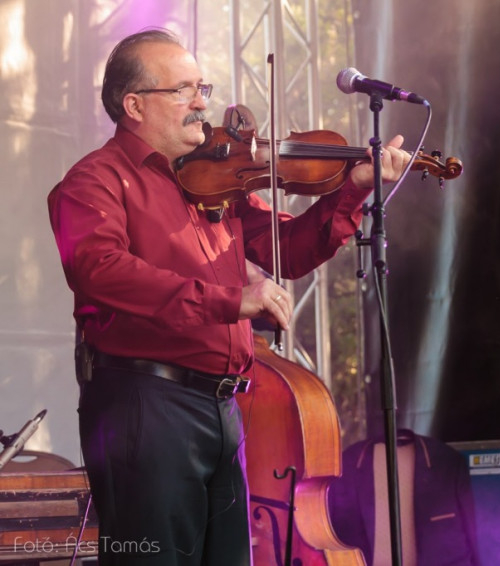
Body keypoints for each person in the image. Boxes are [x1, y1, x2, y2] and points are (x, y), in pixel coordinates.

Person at [47, 28, 409, 566]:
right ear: (134, 106)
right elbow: (101, 271)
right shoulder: (93, 181)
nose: (202, 103)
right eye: (183, 90)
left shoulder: (213, 179)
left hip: (221, 408)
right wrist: (229, 300)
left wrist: (354, 186)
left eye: (202, 87)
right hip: (145, 406)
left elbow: (289, 247)